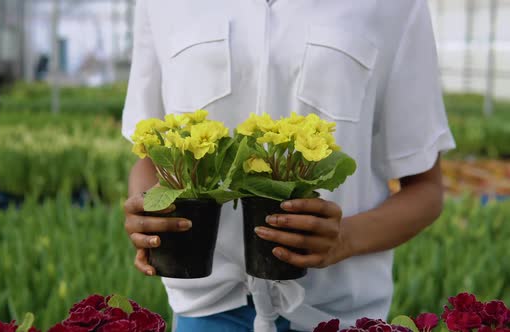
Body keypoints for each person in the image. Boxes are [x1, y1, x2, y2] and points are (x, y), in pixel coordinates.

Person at [121, 0, 455, 331]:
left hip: (335, 315)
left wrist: (345, 239)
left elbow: (426, 190)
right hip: (207, 309)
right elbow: (148, 158)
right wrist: (149, 211)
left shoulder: (397, 6)